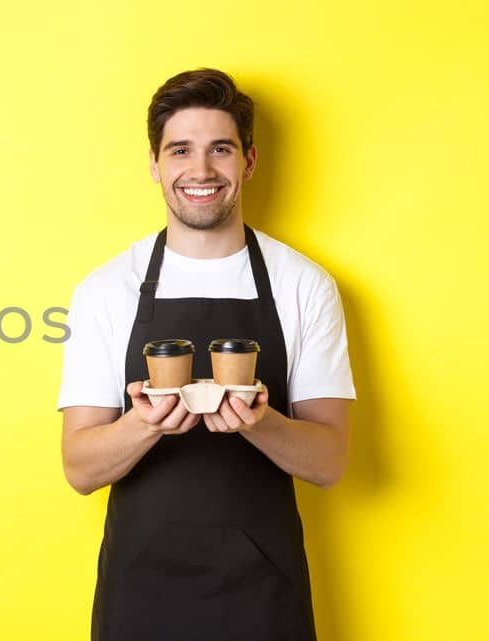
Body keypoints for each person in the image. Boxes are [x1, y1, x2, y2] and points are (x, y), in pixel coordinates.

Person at [56, 68, 357, 641]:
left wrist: (258, 422)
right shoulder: (106, 289)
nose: (200, 171)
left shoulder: (303, 285)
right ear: (154, 165)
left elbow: (331, 461)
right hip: (138, 594)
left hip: (263, 595)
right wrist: (146, 426)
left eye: (220, 149)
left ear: (248, 161)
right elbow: (79, 468)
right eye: (180, 151)